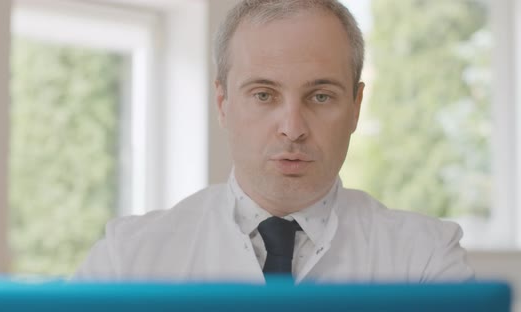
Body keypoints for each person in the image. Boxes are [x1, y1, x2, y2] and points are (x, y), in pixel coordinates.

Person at [75, 0, 474, 282]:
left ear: (355, 107)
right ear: (223, 103)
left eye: (321, 96)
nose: (293, 127)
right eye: (264, 94)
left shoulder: (426, 261)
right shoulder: (126, 259)